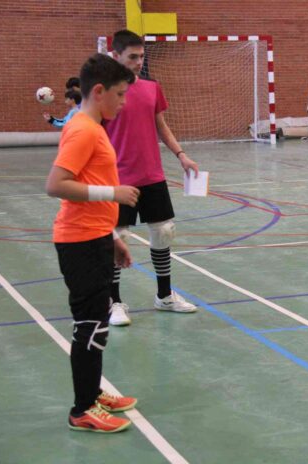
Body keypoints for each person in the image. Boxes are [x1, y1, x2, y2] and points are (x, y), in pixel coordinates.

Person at [46, 53, 139, 432]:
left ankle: (94, 392)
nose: (124, 102)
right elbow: (56, 184)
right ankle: (82, 408)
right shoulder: (84, 130)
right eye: (120, 94)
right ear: (99, 91)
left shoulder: (93, 126)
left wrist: (113, 236)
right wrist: (113, 193)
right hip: (79, 242)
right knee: (90, 325)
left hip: (95, 236)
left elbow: (88, 183)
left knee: (97, 322)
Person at [105, 29, 199, 326]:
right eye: (132, 56)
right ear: (115, 55)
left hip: (152, 175)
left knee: (163, 232)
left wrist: (181, 154)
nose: (138, 62)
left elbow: (161, 125)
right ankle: (114, 302)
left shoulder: (151, 87)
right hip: (117, 179)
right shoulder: (103, 91)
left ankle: (164, 296)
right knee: (117, 237)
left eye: (141, 56)